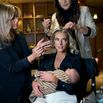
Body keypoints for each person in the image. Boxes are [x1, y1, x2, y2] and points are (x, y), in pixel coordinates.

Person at [0, 3, 51, 103]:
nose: (17, 20)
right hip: (9, 90)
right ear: (3, 20)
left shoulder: (20, 35)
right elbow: (12, 67)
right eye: (13, 18)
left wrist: (37, 50)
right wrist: (33, 55)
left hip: (26, 85)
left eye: (16, 17)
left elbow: (26, 57)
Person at [32, 29, 82, 103]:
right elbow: (37, 76)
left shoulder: (75, 59)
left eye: (64, 40)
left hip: (65, 95)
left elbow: (76, 88)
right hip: (45, 95)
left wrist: (55, 80)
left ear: (68, 42)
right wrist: (34, 84)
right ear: (53, 42)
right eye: (57, 39)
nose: (60, 43)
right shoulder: (46, 58)